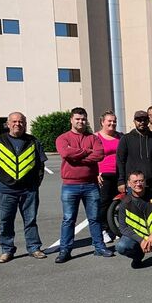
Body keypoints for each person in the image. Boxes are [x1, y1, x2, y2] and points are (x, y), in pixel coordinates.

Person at [0, 111, 47, 262]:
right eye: (15, 121)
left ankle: (34, 248)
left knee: (30, 220)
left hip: (29, 190)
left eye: (21, 122)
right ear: (8, 124)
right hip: (5, 190)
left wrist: (36, 183)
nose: (18, 124)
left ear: (25, 124)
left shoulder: (33, 141)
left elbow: (40, 165)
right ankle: (7, 250)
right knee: (5, 221)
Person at [55, 107, 112, 263]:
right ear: (71, 120)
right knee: (68, 219)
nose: (81, 121)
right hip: (70, 185)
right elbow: (66, 154)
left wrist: (77, 156)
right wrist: (87, 151)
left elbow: (99, 155)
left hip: (91, 184)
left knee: (94, 218)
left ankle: (99, 247)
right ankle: (65, 250)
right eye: (77, 119)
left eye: (83, 119)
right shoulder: (63, 138)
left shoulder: (93, 138)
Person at [115, 170, 152, 268]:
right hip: (137, 238)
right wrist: (141, 240)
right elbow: (123, 228)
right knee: (121, 246)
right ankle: (138, 256)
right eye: (135, 181)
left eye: (141, 181)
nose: (138, 184)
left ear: (145, 182)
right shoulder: (125, 203)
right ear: (129, 184)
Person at [116, 110, 152, 194]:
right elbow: (120, 161)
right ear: (134, 121)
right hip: (134, 184)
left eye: (144, 120)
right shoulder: (126, 139)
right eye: (139, 120)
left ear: (148, 121)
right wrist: (121, 181)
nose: (142, 122)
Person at [95, 110, 121, 242]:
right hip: (104, 175)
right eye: (109, 121)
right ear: (102, 122)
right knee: (104, 203)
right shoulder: (95, 137)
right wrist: (95, 172)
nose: (112, 123)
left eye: (114, 121)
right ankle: (104, 229)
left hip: (119, 174)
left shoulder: (120, 136)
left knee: (118, 203)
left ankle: (115, 228)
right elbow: (91, 157)